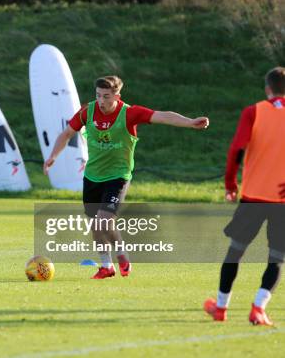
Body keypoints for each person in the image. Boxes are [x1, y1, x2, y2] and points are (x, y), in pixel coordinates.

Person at [44, 75, 209, 279]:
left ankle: (122, 255)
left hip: (118, 176)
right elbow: (67, 133)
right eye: (98, 95)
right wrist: (53, 156)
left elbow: (163, 116)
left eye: (106, 96)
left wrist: (190, 122)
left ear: (117, 95)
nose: (101, 101)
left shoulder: (130, 113)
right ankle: (106, 266)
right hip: (92, 176)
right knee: (95, 225)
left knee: (104, 221)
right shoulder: (88, 111)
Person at [204, 66, 285, 326]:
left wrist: (230, 183)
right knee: (277, 256)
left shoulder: (254, 111)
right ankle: (258, 308)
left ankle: (221, 307)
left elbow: (237, 149)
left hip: (253, 197)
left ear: (267, 89)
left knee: (235, 252)